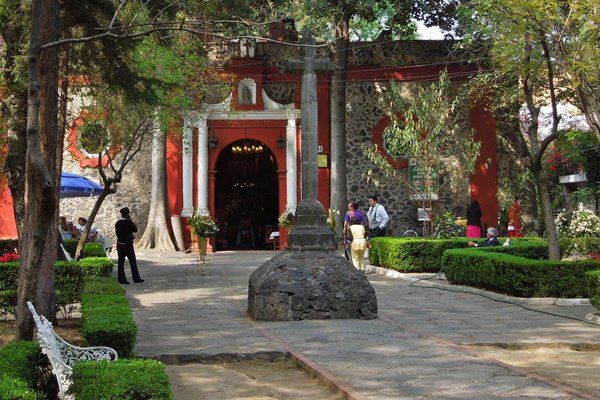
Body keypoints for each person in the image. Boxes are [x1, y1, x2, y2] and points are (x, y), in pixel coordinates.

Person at [115, 207, 144, 284]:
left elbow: (117, 233)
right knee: (132, 261)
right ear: (128, 214)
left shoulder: (117, 223)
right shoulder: (128, 222)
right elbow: (135, 229)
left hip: (120, 243)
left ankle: (121, 279)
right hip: (128, 244)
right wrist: (130, 220)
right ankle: (136, 278)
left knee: (121, 262)